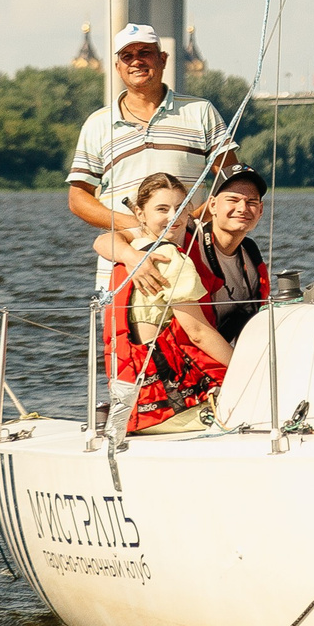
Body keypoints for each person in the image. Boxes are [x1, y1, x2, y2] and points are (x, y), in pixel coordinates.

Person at [67, 23, 236, 239]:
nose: (136, 61)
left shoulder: (200, 112)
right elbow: (78, 197)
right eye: (127, 56)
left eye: (145, 53)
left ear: (163, 59)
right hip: (123, 261)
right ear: (118, 67)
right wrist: (135, 225)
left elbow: (232, 179)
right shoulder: (97, 123)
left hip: (190, 257)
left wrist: (189, 222)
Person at [101, 172, 232, 434]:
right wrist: (247, 367)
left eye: (181, 208)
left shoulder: (130, 256)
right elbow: (197, 334)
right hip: (177, 408)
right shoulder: (170, 258)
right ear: (140, 213)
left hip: (135, 407)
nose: (174, 216)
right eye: (162, 209)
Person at [185, 165, 271, 340]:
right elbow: (123, 238)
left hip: (225, 353)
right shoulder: (187, 237)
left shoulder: (251, 255)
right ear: (213, 205)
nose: (242, 208)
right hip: (182, 356)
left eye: (251, 202)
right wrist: (129, 255)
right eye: (233, 200)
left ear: (260, 210)